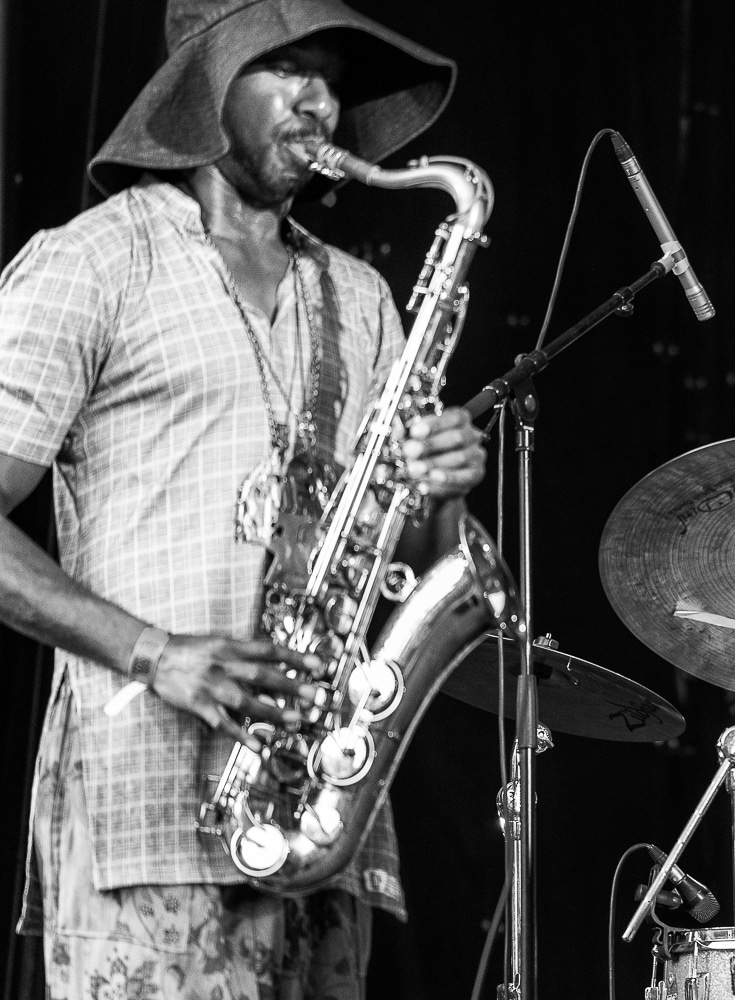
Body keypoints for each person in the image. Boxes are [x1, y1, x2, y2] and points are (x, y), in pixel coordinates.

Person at [1, 1, 484, 996]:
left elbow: (403, 555)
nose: (318, 102)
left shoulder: (360, 296)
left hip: (321, 822)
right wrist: (156, 652)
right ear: (202, 92)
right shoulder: (98, 258)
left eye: (330, 77)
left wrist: (437, 488)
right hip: (145, 810)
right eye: (285, 68)